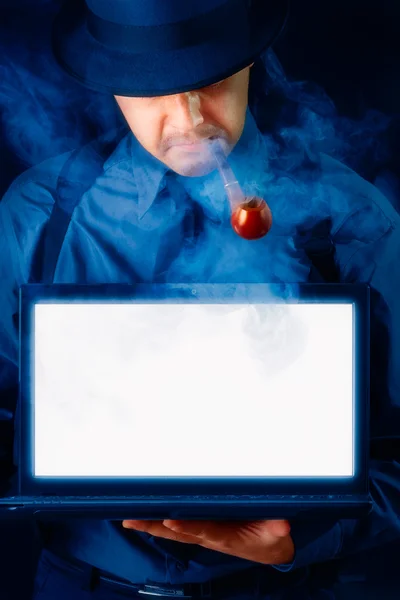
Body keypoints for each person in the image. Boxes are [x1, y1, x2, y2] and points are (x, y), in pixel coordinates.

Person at [1, 0, 400, 598]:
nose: (188, 120)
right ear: (113, 85)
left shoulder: (351, 220)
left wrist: (302, 537)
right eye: (151, 89)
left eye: (209, 79)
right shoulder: (39, 217)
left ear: (248, 63)